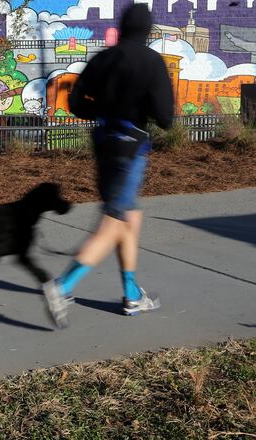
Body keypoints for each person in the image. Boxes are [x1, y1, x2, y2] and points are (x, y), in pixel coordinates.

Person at [42, 3, 175, 328]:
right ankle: (62, 287)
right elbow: (166, 117)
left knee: (129, 216)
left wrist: (101, 113)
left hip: (103, 142)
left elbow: (74, 102)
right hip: (131, 148)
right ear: (147, 30)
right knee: (115, 220)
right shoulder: (151, 62)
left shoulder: (103, 58)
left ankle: (131, 295)